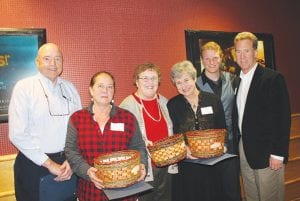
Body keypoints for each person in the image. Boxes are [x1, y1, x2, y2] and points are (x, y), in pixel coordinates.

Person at [9, 43, 82, 201]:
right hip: (34, 164)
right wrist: (49, 164)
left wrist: (72, 159)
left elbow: (79, 128)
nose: (53, 64)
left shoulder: (70, 89)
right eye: (47, 59)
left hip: (67, 164)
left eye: (57, 59)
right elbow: (17, 134)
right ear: (37, 62)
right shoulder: (24, 88)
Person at [65, 71, 147, 201]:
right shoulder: (77, 119)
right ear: (91, 90)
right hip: (90, 191)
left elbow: (139, 147)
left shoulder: (128, 118)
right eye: (100, 86)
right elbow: (71, 151)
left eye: (110, 87)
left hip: (124, 192)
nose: (105, 90)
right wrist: (87, 171)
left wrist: (142, 165)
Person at [232, 31, 291, 201]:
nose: (242, 56)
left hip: (267, 151)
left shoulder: (272, 78)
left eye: (247, 51)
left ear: (255, 53)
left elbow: (282, 119)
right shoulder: (238, 80)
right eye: (238, 51)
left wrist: (278, 154)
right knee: (251, 195)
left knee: (269, 196)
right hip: (245, 149)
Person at [167, 60, 227, 201]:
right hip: (188, 163)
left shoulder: (213, 100)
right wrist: (183, 149)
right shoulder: (172, 105)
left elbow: (222, 127)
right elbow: (173, 134)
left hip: (212, 161)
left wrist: (222, 145)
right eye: (178, 82)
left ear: (194, 78)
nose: (183, 85)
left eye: (186, 80)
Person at [119, 63, 174, 201]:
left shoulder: (164, 102)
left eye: (153, 78)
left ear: (158, 81)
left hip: (167, 167)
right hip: (144, 168)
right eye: (145, 78)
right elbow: (121, 141)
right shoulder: (127, 106)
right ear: (136, 81)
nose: (150, 82)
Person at [197, 41, 242, 201]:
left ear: (221, 58)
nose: (211, 62)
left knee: (232, 187)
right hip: (207, 146)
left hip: (231, 142)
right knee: (212, 187)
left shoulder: (233, 79)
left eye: (215, 58)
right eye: (207, 59)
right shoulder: (195, 85)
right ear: (202, 60)